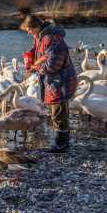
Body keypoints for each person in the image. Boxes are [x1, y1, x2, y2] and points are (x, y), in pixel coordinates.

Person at [21, 15, 77, 153]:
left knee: (58, 112)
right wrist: (29, 57)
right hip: (54, 81)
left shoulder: (52, 39)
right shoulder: (40, 37)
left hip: (60, 81)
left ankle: (61, 145)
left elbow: (53, 64)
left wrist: (36, 67)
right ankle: (63, 142)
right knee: (59, 110)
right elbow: (36, 51)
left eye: (29, 29)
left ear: (36, 27)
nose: (28, 33)